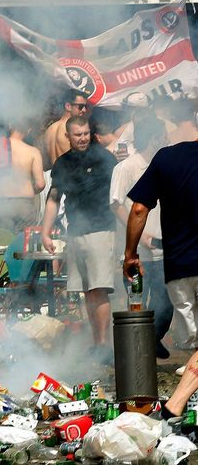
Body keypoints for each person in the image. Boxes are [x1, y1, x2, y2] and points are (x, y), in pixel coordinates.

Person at [42, 116, 117, 361]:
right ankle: (96, 342)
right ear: (68, 136)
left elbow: (119, 194)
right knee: (87, 290)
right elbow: (53, 198)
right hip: (75, 232)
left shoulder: (105, 158)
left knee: (100, 288)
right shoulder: (62, 164)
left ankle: (104, 344)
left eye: (86, 133)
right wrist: (45, 232)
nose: (83, 138)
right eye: (78, 134)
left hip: (101, 230)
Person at [124, 129, 198, 357]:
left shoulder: (167, 157)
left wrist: (130, 254)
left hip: (180, 266)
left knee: (193, 342)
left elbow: (138, 209)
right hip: (181, 262)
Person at [110, 113, 173, 359]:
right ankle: (137, 352)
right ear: (155, 138)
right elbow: (117, 205)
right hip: (135, 253)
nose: (168, 139)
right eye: (164, 136)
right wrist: (140, 235)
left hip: (164, 248)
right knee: (137, 302)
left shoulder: (165, 165)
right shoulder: (126, 167)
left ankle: (150, 340)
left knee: (166, 304)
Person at [0, 117, 45, 233]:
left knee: (4, 243)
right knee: (23, 246)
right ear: (28, 130)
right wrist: (30, 189)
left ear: (10, 126)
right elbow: (41, 184)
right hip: (25, 204)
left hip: (2, 205)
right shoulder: (33, 152)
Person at [44, 89, 89, 167]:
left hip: (55, 176)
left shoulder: (50, 129)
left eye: (85, 106)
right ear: (68, 106)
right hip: (70, 176)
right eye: (80, 107)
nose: (84, 110)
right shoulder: (71, 129)